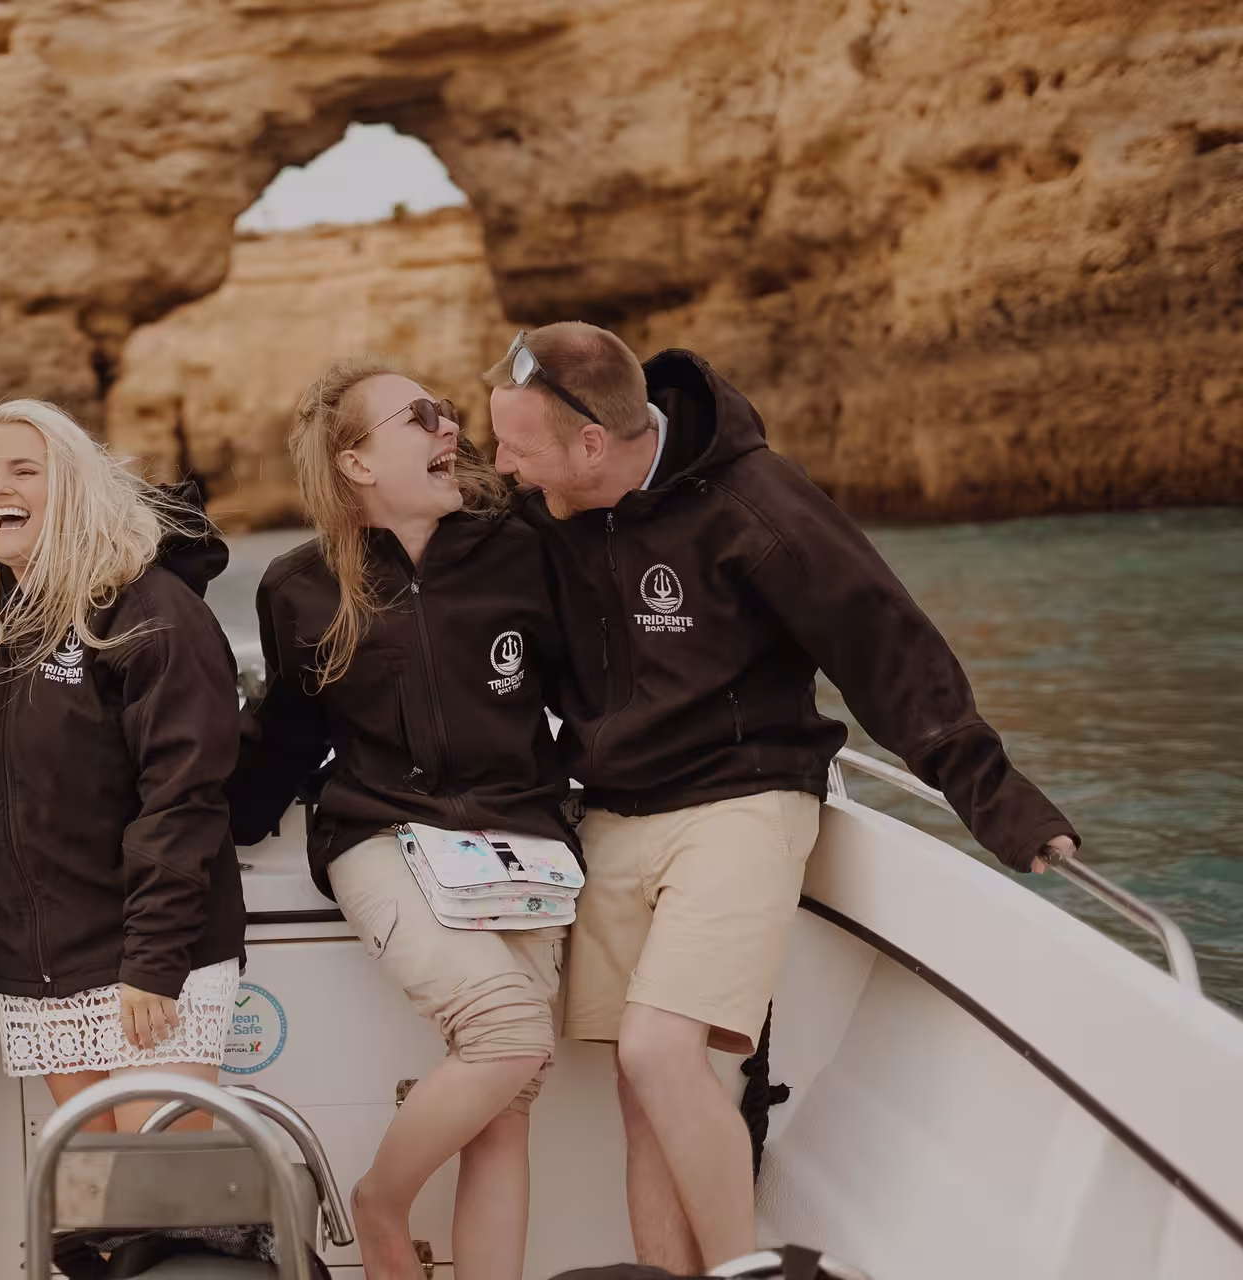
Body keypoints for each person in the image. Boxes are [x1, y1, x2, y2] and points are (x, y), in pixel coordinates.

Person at [485, 323, 1082, 1271]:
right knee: (644, 1099)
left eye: (516, 449)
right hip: (610, 810)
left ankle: (742, 1274)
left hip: (741, 799)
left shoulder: (754, 502)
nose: (505, 470)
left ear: (591, 443)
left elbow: (880, 639)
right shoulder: (548, 508)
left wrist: (994, 795)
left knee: (659, 1052)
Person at [229, 361, 574, 1280]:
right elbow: (286, 738)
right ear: (356, 462)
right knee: (509, 1034)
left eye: (447, 411)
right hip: (381, 833)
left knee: (510, 1097)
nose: (448, 429)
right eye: (419, 417)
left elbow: (595, 696)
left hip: (523, 837)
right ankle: (378, 1207)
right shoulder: (300, 586)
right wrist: (203, 825)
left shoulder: (526, 549)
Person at [0, 398, 246, 1136]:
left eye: (25, 471)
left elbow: (183, 796)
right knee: (108, 1223)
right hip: (49, 975)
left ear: (73, 486)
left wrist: (153, 963)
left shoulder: (148, 608)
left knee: (169, 1205)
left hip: (151, 964)